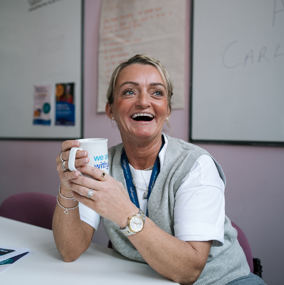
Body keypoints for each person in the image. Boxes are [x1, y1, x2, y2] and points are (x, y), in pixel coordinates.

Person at [53, 54, 266, 285]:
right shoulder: (102, 163)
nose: (144, 102)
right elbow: (69, 251)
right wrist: (68, 186)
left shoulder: (196, 165)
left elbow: (188, 272)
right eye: (129, 91)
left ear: (167, 110)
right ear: (111, 109)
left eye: (156, 93)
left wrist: (124, 211)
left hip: (222, 281)